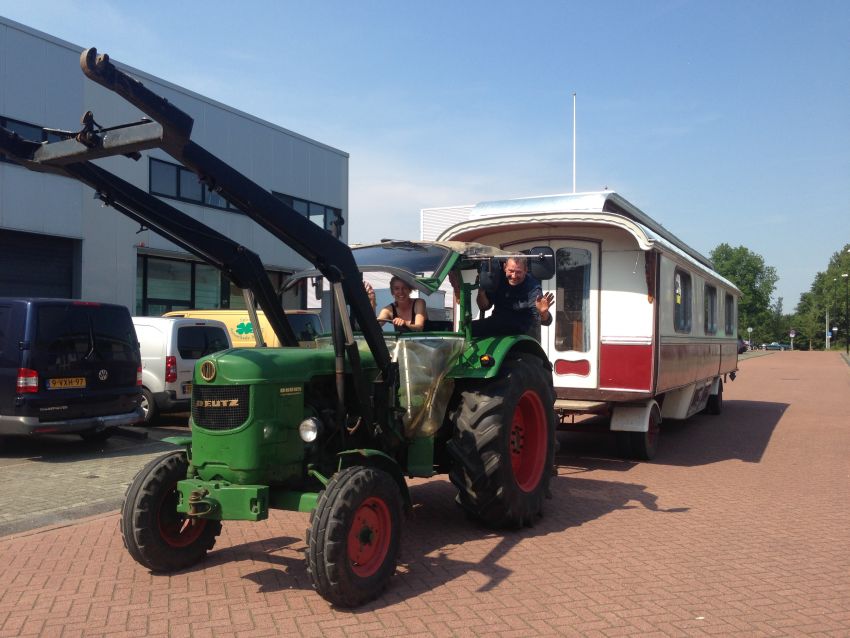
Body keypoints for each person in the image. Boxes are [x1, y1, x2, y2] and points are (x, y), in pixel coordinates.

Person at [473, 256, 554, 338]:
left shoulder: (533, 288)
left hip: (522, 332)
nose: (514, 276)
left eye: (518, 272)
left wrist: (543, 313)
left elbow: (547, 321)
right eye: (511, 271)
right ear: (505, 267)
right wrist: (481, 290)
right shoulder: (497, 279)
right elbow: (483, 306)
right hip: (498, 323)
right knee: (468, 330)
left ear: (525, 270)